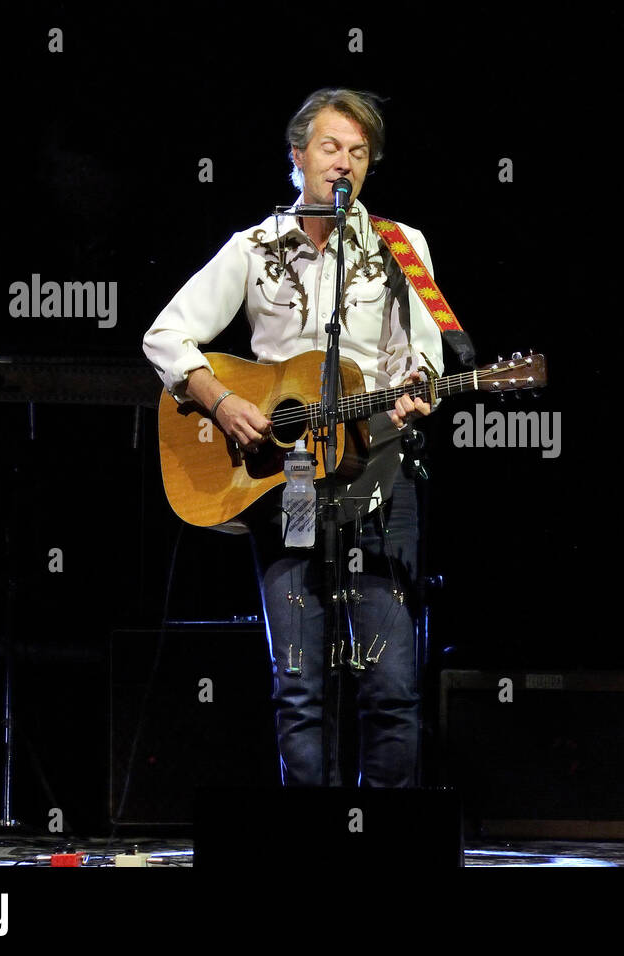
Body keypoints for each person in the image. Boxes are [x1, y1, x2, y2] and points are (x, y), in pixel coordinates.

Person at [142, 88, 444, 787]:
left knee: (392, 686)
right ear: (298, 156)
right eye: (332, 147)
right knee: (299, 689)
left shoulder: (404, 245)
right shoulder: (251, 248)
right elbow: (166, 335)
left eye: (360, 152)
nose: (346, 163)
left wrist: (414, 396)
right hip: (291, 488)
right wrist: (219, 402)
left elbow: (423, 358)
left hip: (379, 479)